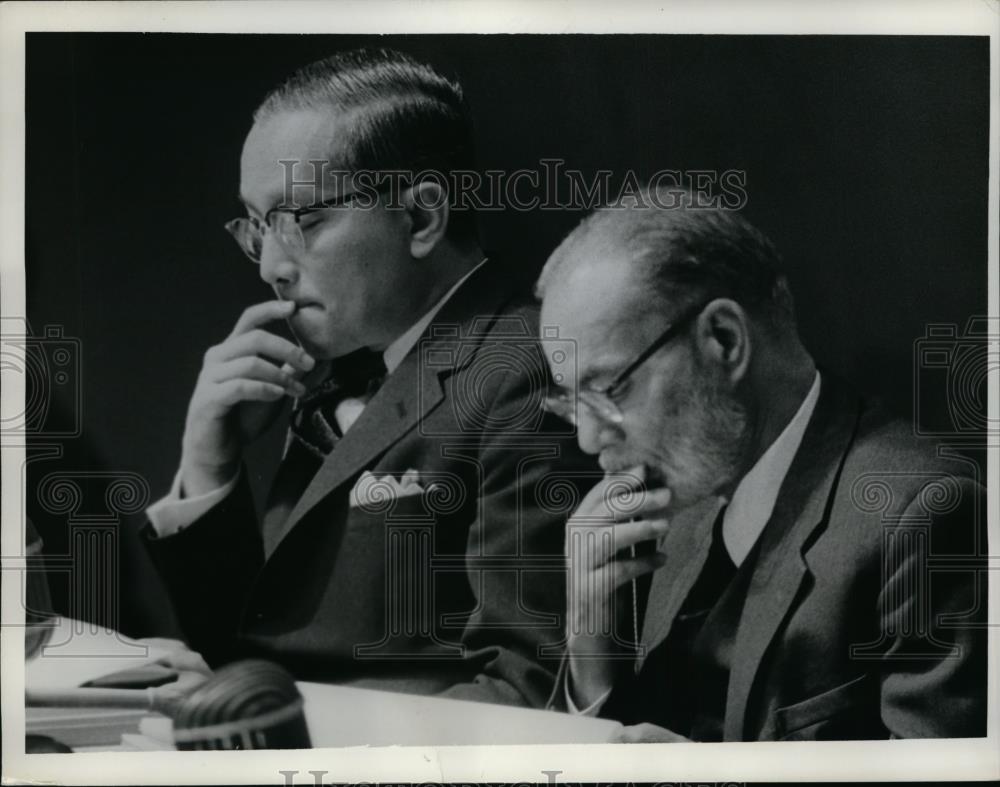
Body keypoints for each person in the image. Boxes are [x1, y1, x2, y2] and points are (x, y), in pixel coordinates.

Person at [142, 48, 595, 708]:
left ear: (421, 217)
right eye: (257, 225)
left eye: (302, 220)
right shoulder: (335, 372)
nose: (271, 264)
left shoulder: (526, 367)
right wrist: (208, 466)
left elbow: (524, 687)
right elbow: (247, 653)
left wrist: (284, 714)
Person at [536, 188, 986, 740]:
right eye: (570, 403)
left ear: (724, 340)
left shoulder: (922, 514)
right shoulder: (686, 488)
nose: (586, 439)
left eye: (608, 390)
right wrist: (590, 642)